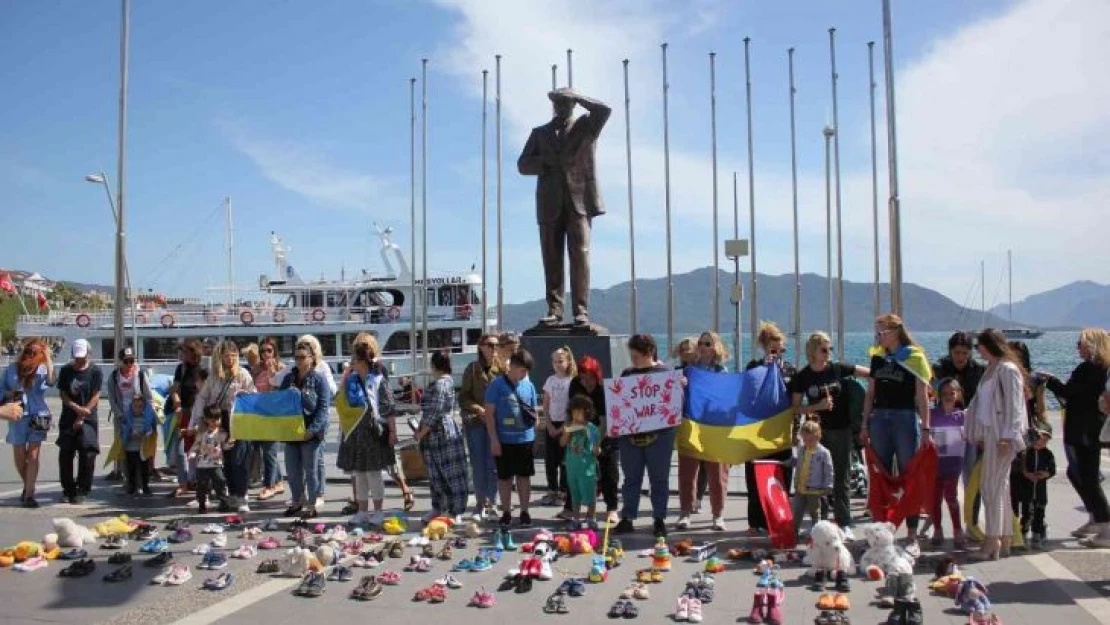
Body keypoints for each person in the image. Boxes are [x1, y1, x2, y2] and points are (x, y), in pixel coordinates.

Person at [517, 87, 611, 326]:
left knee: (580, 255)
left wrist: (579, 96)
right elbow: (523, 165)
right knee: (552, 257)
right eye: (558, 102)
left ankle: (581, 311)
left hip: (579, 201)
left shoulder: (586, 126)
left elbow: (604, 110)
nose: (561, 106)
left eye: (566, 102)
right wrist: (544, 161)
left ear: (573, 104)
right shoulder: (539, 133)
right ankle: (554, 310)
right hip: (549, 204)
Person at [860, 314, 932, 555]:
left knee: (907, 473)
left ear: (895, 331)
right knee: (879, 473)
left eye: (882, 332)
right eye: (876, 332)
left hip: (904, 417)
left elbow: (922, 395)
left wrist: (926, 428)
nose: (878, 336)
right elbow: (870, 393)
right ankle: (880, 531)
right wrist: (864, 424)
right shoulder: (877, 357)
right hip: (880, 417)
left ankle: (912, 534)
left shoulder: (914, 357)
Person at [789, 331, 869, 535]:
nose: (828, 353)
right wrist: (816, 406)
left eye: (830, 349)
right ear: (813, 351)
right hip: (816, 433)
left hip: (841, 429)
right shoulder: (803, 376)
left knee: (841, 475)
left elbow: (866, 372)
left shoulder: (837, 369)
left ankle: (844, 521)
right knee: (818, 477)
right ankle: (821, 522)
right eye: (824, 349)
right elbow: (794, 408)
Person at [964, 329, 1027, 560]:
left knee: (990, 486)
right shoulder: (991, 369)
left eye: (979, 345)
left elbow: (1014, 406)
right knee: (1000, 487)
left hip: (1001, 434)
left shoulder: (1007, 370)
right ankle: (1005, 537)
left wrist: (1007, 436)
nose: (977, 350)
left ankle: (992, 540)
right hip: (991, 432)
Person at [1046, 328, 1110, 547]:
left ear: (1091, 345)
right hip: (1088, 428)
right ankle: (1095, 517)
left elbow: (1068, 393)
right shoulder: (1101, 369)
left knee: (1088, 477)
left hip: (1083, 431)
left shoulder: (1089, 369)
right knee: (1078, 474)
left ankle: (1105, 522)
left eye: (1080, 343)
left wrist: (1050, 381)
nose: (1077, 347)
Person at [612, 334, 674, 538]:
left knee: (659, 479)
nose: (633, 360)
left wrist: (681, 385)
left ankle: (659, 518)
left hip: (660, 436)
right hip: (631, 437)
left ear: (649, 352)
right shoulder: (627, 374)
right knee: (631, 478)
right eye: (632, 356)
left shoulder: (665, 373)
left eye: (637, 356)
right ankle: (628, 517)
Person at [337, 335, 397, 526]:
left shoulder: (378, 380)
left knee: (373, 473)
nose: (351, 362)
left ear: (362, 360)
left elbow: (389, 407)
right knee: (359, 473)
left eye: (354, 358)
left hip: (373, 433)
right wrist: (346, 376)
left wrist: (393, 432)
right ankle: (362, 511)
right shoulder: (351, 380)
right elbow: (339, 399)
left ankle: (378, 511)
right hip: (355, 433)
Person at [190, 340, 255, 512]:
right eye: (227, 356)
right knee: (224, 460)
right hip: (220, 420)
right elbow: (202, 398)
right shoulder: (213, 376)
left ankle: (242, 496)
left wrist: (244, 398)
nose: (231, 359)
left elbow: (253, 396)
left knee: (239, 460)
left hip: (239, 420)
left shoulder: (243, 374)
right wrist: (200, 421)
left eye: (234, 355)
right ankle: (231, 494)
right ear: (220, 357)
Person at [744, 322, 796, 536]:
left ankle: (778, 518)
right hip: (757, 432)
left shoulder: (790, 369)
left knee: (781, 474)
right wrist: (764, 370)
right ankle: (755, 521)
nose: (776, 353)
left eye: (780, 349)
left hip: (782, 431)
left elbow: (796, 399)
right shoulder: (753, 368)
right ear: (764, 347)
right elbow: (746, 395)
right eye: (772, 348)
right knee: (755, 475)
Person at [677, 331, 731, 532]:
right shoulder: (688, 371)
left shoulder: (722, 372)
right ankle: (685, 513)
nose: (702, 346)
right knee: (687, 472)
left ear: (715, 347)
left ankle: (718, 515)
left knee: (717, 474)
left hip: (715, 428)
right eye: (700, 342)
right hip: (691, 425)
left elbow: (726, 400)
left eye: (707, 343)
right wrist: (680, 386)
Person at [279, 336, 333, 519]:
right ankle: (296, 501)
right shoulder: (288, 378)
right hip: (292, 431)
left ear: (311, 359)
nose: (299, 361)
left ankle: (312, 503)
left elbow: (323, 408)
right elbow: (280, 402)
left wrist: (312, 430)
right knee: (292, 470)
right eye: (296, 357)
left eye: (303, 357)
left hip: (311, 431)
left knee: (311, 471)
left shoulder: (319, 380)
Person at [485, 347, 538, 528]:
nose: (524, 375)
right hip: (504, 440)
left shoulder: (528, 385)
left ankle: (524, 511)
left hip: (525, 439)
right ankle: (506, 512)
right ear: (513, 366)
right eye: (522, 370)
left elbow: (533, 411)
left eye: (526, 372)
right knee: (504, 478)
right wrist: (494, 439)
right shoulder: (496, 385)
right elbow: (489, 414)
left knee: (524, 477)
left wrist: (534, 433)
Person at [415, 351, 469, 524]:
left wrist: (421, 432)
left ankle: (453, 510)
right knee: (442, 472)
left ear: (433, 365)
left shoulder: (440, 384)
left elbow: (435, 411)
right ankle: (443, 508)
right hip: (442, 430)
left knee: (447, 472)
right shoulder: (447, 381)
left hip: (440, 432)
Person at [1, 339, 54, 508]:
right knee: (19, 456)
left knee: (33, 455)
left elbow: (52, 381)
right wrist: (10, 393)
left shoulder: (43, 368)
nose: (31, 354)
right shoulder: (11, 369)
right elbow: (2, 390)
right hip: (18, 412)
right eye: (29, 350)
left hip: (39, 413)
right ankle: (28, 485)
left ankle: (29, 494)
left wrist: (47, 356)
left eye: (36, 351)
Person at [568, 355, 619, 524]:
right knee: (578, 473)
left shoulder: (604, 389)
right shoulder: (575, 385)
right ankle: (573, 509)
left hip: (602, 432)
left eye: (590, 378)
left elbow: (605, 421)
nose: (586, 382)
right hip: (580, 432)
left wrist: (596, 442)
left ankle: (611, 508)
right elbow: (572, 413)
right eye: (583, 378)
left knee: (608, 471)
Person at [459, 333, 501, 521]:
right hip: (476, 422)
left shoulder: (502, 369)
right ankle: (479, 502)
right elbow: (463, 397)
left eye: (496, 345)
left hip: (496, 422)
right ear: (481, 347)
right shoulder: (472, 369)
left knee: (494, 463)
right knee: (477, 464)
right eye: (490, 345)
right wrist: (478, 409)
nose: (494, 349)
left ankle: (493, 501)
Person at [56, 339, 102, 504]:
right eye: (76, 357)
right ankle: (68, 489)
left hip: (88, 416)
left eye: (82, 357)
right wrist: (76, 408)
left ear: (88, 353)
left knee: (88, 453)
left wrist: (83, 414)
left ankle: (83, 488)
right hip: (69, 416)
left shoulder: (95, 371)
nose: (79, 360)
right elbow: (63, 393)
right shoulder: (66, 371)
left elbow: (96, 395)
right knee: (66, 453)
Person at [928, 378, 967, 549]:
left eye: (952, 393)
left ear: (958, 395)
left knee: (951, 497)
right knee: (935, 498)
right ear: (938, 395)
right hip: (935, 463)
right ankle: (937, 529)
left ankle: (957, 530)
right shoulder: (931, 415)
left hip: (953, 463)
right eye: (944, 394)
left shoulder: (963, 416)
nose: (948, 396)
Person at [674, 337, 710, 517]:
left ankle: (698, 498)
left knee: (703, 463)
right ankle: (687, 501)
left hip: (703, 421)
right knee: (687, 465)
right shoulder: (674, 372)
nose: (686, 352)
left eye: (689, 349)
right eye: (683, 349)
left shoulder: (703, 370)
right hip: (683, 422)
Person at [107, 347, 152, 489]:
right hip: (123, 418)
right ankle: (129, 482)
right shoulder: (114, 377)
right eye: (126, 361)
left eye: (132, 361)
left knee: (142, 450)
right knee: (125, 450)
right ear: (120, 361)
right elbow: (112, 398)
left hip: (139, 417)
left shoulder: (140, 375)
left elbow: (148, 396)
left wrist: (147, 416)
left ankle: (143, 482)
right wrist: (120, 415)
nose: (129, 364)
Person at [541, 346, 575, 520]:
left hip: (566, 425)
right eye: (554, 361)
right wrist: (548, 424)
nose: (557, 365)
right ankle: (552, 489)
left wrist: (563, 428)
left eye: (561, 361)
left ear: (568, 361)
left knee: (564, 460)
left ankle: (563, 490)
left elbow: (573, 408)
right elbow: (546, 403)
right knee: (550, 459)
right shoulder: (550, 380)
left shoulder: (572, 381)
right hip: (551, 423)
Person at [784, 420, 834, 535]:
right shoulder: (802, 448)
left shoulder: (824, 453)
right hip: (800, 488)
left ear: (818, 437)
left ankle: (816, 535)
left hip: (815, 490)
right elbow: (798, 461)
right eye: (805, 440)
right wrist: (788, 462)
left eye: (810, 440)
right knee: (797, 511)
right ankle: (793, 533)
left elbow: (829, 470)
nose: (807, 442)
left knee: (815, 513)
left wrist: (829, 485)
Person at [169, 339, 205, 500]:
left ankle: (197, 481)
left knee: (198, 449)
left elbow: (206, 392)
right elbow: (175, 389)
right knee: (179, 449)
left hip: (198, 413)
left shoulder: (203, 369)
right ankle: (183, 483)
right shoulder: (181, 368)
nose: (181, 355)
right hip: (183, 411)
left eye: (184, 351)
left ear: (193, 352)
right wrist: (175, 398)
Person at [251, 337, 286, 502]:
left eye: (269, 351)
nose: (265, 354)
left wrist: (273, 374)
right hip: (258, 415)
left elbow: (279, 392)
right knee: (265, 451)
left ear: (275, 352)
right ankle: (278, 482)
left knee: (270, 452)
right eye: (262, 351)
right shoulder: (256, 370)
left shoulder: (281, 368)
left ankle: (269, 486)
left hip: (273, 416)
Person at [1011, 423, 1055, 549]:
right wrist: (1027, 474)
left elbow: (1052, 469)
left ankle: (1037, 535)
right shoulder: (1025, 452)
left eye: (1045, 440)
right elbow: (1020, 468)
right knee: (1027, 514)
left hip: (1040, 491)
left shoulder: (1047, 454)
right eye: (1039, 438)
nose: (1041, 442)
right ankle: (1022, 535)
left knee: (1040, 514)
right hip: (1027, 490)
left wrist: (1046, 473)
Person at [561, 394, 601, 525]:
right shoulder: (569, 427)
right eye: (574, 412)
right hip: (572, 467)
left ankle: (590, 517)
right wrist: (568, 432)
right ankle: (576, 518)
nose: (576, 415)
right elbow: (562, 443)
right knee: (574, 494)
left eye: (580, 412)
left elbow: (596, 448)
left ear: (587, 413)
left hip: (587, 469)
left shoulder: (592, 429)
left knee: (590, 494)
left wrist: (597, 450)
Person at [189, 411, 230, 513]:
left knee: (220, 482)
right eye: (212, 420)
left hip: (216, 463)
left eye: (217, 419)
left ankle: (223, 502)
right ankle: (202, 504)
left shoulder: (222, 433)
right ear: (206, 420)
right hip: (202, 464)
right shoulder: (202, 434)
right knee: (202, 485)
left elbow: (225, 446)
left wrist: (230, 443)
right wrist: (192, 453)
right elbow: (196, 445)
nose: (214, 422)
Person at [121, 393, 157, 496]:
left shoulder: (148, 416)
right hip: (130, 446)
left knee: (144, 468)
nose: (137, 409)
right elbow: (123, 429)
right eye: (135, 406)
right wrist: (128, 434)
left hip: (143, 447)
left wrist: (145, 434)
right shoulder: (127, 415)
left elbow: (152, 429)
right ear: (131, 405)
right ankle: (132, 486)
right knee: (131, 468)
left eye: (140, 407)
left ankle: (145, 486)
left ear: (144, 406)